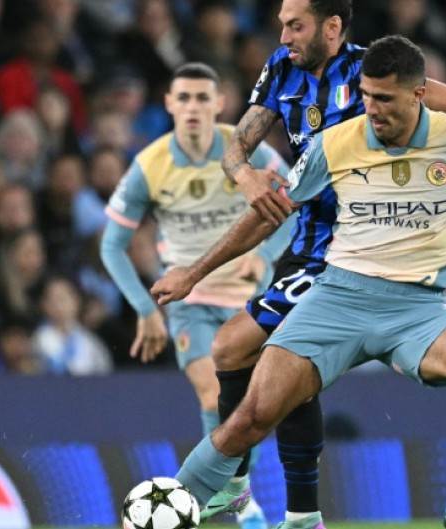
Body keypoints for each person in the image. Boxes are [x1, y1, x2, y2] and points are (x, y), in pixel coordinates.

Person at [151, 35, 446, 529]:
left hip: (418, 310)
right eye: (365, 95)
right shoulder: (336, 142)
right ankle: (167, 509)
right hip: (337, 299)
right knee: (251, 416)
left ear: (418, 94)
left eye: (384, 98)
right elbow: (267, 216)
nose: (371, 108)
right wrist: (194, 274)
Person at [199, 1, 446, 527]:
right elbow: (238, 145)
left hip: (349, 248)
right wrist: (244, 176)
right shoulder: (281, 67)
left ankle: (265, 499)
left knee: (238, 346)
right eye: (281, 23)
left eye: (294, 25)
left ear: (332, 27)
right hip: (303, 239)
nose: (283, 35)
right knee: (253, 358)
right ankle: (272, 503)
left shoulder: (373, 71)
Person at [101, 62, 293, 529]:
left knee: (256, 410)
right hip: (192, 301)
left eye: (201, 98)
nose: (192, 107)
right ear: (168, 104)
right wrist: (145, 310)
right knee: (213, 397)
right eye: (183, 98)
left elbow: (295, 201)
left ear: (219, 104)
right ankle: (239, 501)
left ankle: (239, 494)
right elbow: (112, 244)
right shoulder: (150, 164)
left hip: (252, 300)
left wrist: (265, 257)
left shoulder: (248, 152)